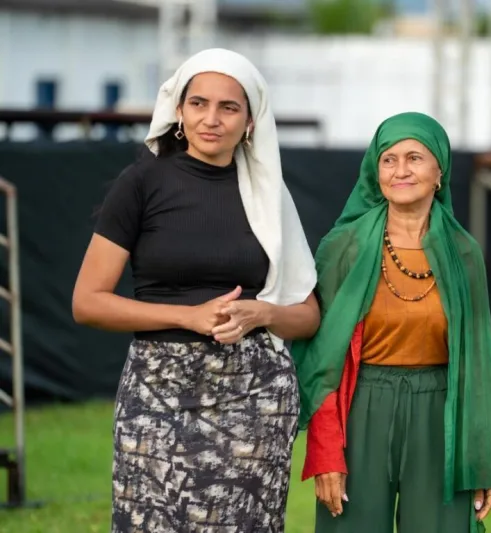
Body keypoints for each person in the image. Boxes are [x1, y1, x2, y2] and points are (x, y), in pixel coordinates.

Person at [72, 48, 320, 532]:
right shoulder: (141, 182)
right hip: (157, 393)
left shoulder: (269, 191)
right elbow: (87, 302)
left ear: (251, 119)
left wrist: (261, 314)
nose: (212, 119)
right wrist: (187, 316)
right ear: (178, 111)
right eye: (199, 104)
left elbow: (307, 314)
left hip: (254, 398)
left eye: (229, 107)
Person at [291, 112, 491, 533]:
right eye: (388, 159)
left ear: (439, 171)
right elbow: (322, 360)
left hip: (438, 410)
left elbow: (479, 365)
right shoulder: (344, 248)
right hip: (363, 408)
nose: (400, 170)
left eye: (415, 157)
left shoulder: (464, 253)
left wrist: (481, 458)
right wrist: (325, 452)